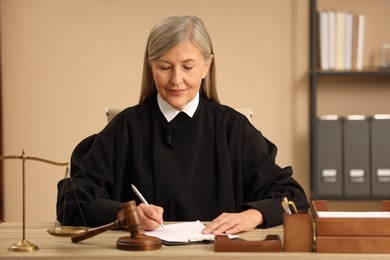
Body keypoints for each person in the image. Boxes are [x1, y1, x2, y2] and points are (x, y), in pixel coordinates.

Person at [56, 15, 309, 235]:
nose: (177, 80)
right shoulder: (124, 128)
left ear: (207, 66)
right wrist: (125, 214)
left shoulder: (234, 129)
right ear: (150, 66)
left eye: (188, 67)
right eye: (164, 67)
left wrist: (252, 215)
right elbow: (72, 200)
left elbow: (292, 196)